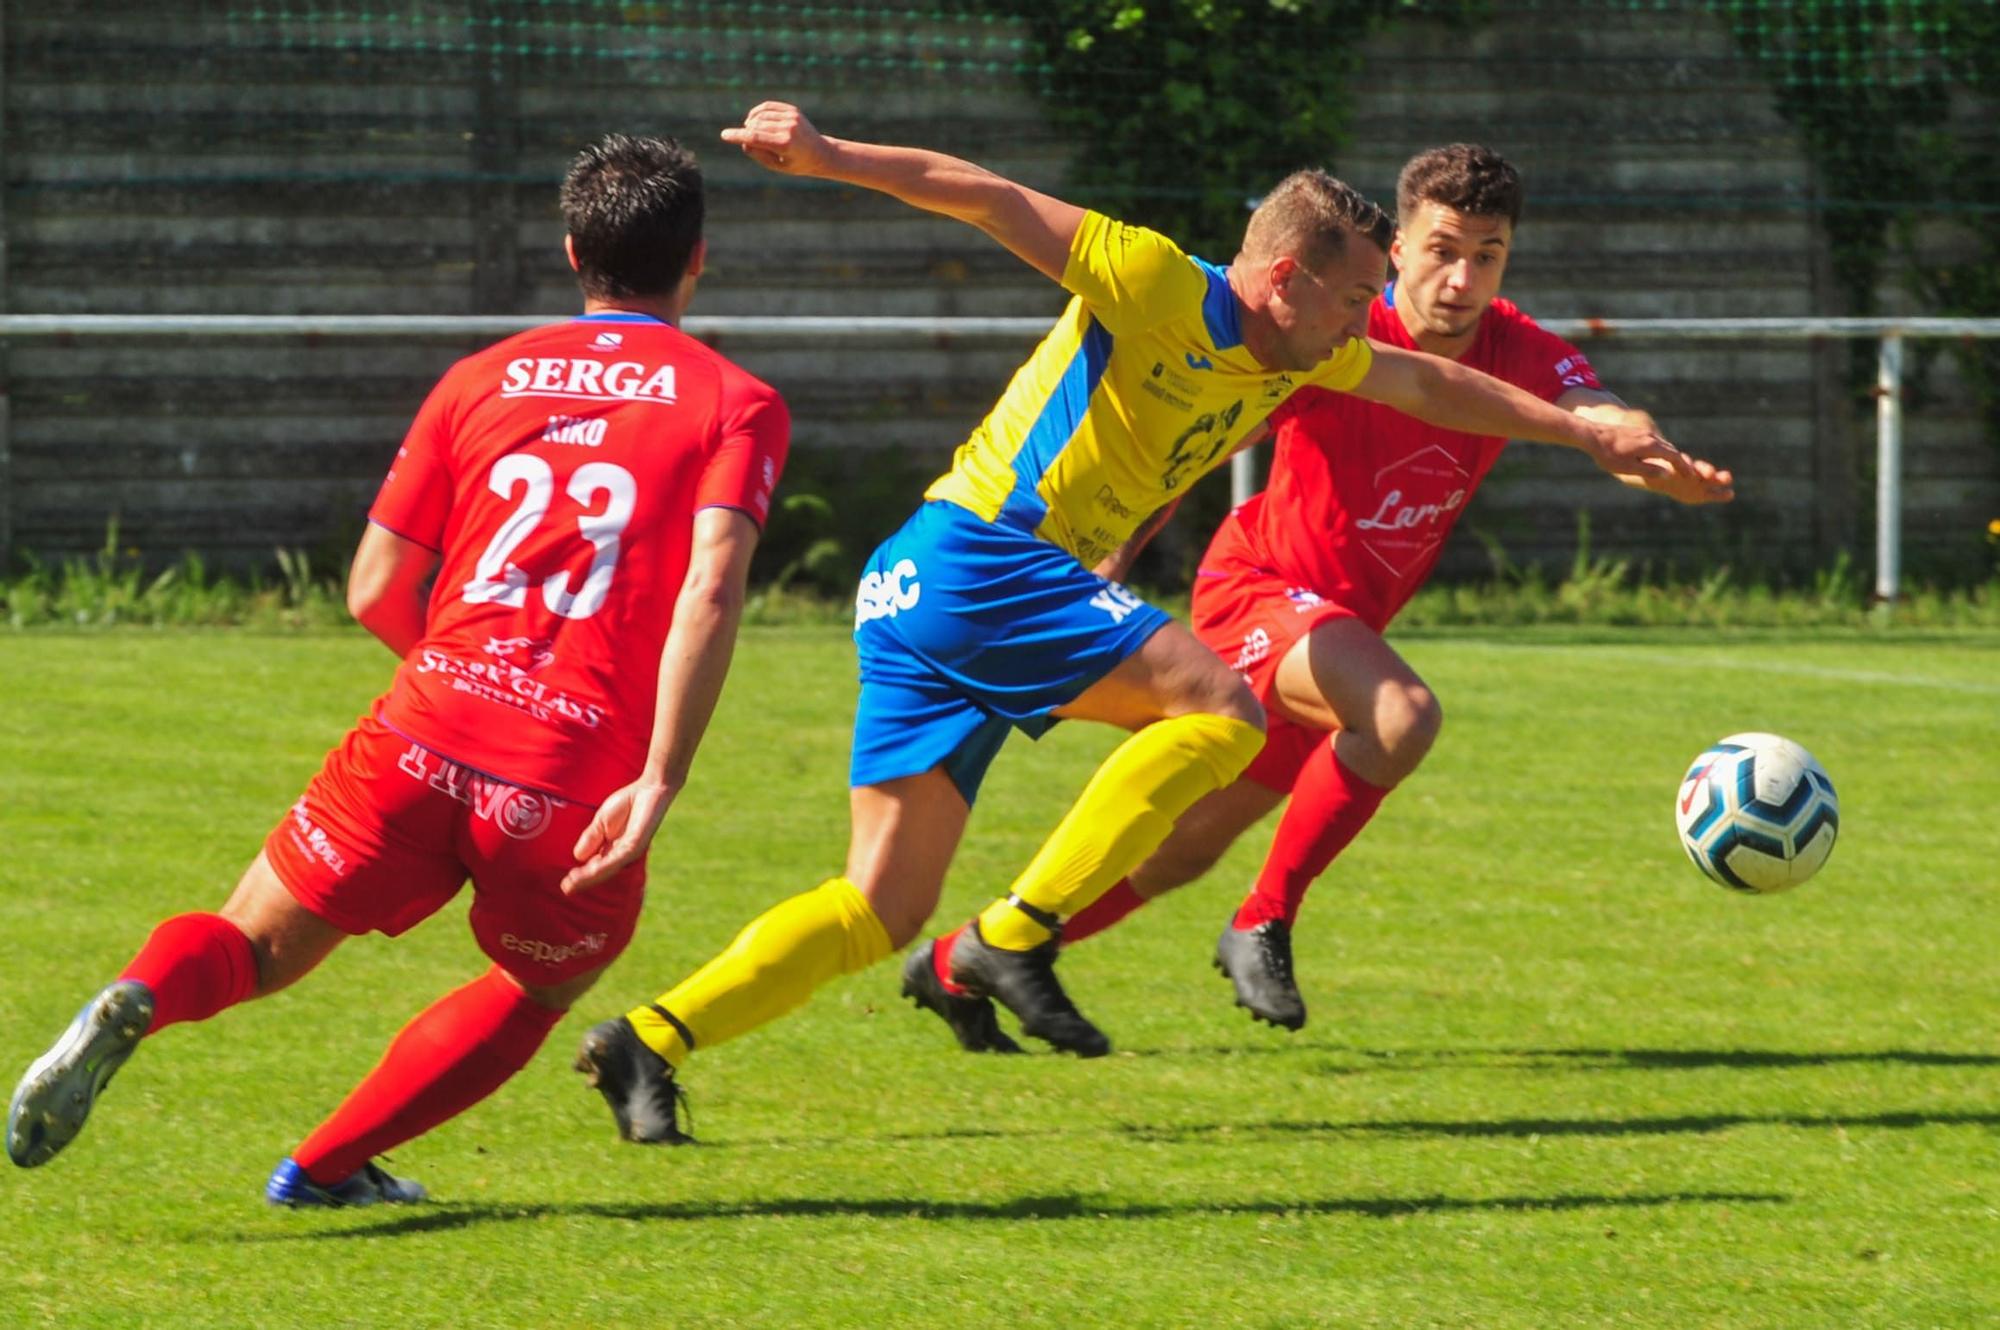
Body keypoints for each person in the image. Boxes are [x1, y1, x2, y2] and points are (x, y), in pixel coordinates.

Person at [572, 102, 1717, 1141]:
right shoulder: (1156, 280)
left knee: (878, 906)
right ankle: (1018, 931)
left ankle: (650, 1039)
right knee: (1219, 708)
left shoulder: (1297, 350)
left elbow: (1431, 389)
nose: (1365, 324)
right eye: (1352, 295)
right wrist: (825, 157)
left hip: (927, 595)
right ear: (1280, 279)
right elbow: (983, 194)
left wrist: (1588, 432)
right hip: (981, 554)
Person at [5, 133, 789, 1204]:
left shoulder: (480, 377)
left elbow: (375, 585)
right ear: (698, 258)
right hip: (566, 774)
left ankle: (141, 989)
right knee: (539, 983)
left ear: (571, 252)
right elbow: (709, 589)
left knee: (253, 944)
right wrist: (657, 777)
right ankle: (322, 1168)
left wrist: (464, 685)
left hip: (418, 731)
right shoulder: (733, 401)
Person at [909, 143, 1735, 1047]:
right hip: (1262, 592)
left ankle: (962, 958)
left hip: (1340, 634)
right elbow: (1187, 449)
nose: (1460, 278)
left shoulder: (1516, 347)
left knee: (1180, 852)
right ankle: (1263, 920)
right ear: (1402, 242)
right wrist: (1114, 559)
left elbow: (1598, 412)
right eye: (1440, 249)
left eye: (1486, 255)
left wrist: (1657, 458)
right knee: (1401, 715)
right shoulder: (1332, 330)